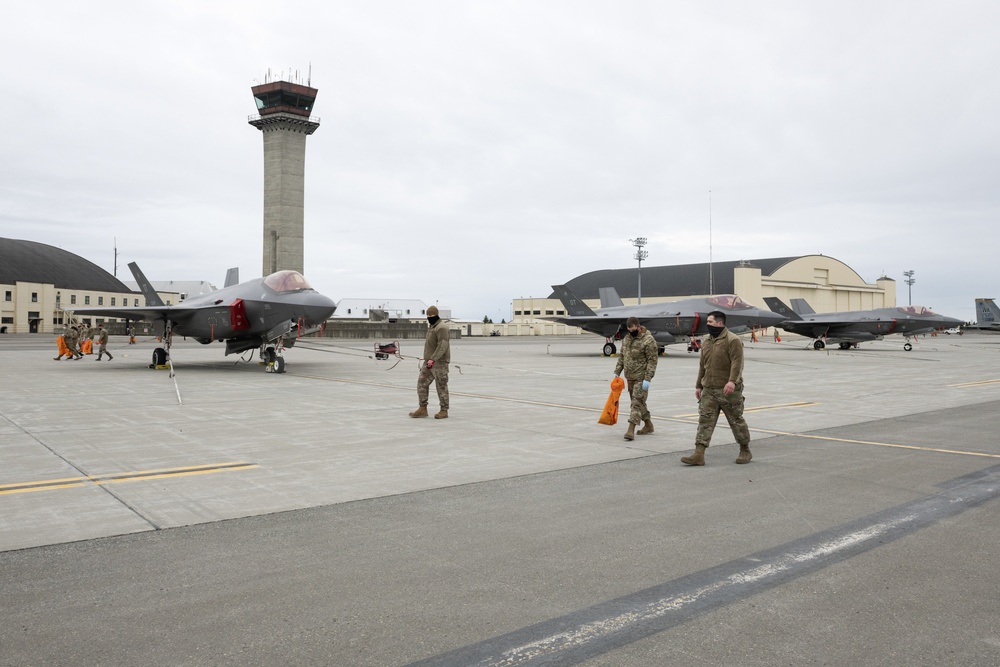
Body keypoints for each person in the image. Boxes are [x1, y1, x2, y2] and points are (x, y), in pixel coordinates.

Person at [682, 310, 752, 466]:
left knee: (736, 420)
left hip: (728, 389)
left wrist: (732, 381)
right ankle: (699, 454)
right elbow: (703, 365)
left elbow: (737, 363)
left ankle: (745, 449)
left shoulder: (732, 340)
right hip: (709, 389)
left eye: (710, 322)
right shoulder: (706, 341)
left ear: (720, 323)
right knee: (705, 420)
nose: (707, 325)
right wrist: (699, 385)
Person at [613, 316, 658, 441]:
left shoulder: (648, 340)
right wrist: (617, 371)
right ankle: (648, 425)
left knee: (635, 404)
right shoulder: (627, 339)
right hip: (630, 378)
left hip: (641, 378)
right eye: (629, 329)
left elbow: (652, 361)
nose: (631, 331)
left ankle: (630, 429)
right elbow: (622, 356)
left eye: (633, 329)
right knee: (639, 403)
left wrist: (648, 379)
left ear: (638, 327)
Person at [409, 305, 450, 419]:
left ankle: (444, 410)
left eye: (431, 315)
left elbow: (443, 345)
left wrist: (433, 359)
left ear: (436, 315)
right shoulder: (432, 327)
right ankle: (423, 408)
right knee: (421, 383)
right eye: (427, 315)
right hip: (429, 362)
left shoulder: (442, 327)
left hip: (439, 362)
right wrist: (427, 358)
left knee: (441, 386)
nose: (429, 317)